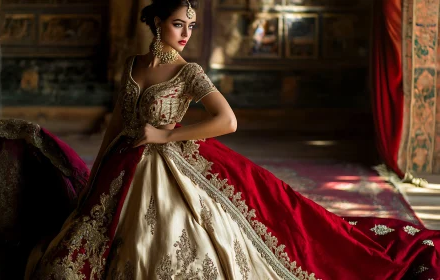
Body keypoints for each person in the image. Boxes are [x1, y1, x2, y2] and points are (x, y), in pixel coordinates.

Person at [25, 0, 439, 279]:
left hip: (164, 167)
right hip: (121, 162)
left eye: (191, 26)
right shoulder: (133, 64)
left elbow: (228, 120)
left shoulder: (189, 72)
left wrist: (167, 134)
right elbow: (118, 120)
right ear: (156, 23)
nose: (185, 33)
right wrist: (95, 173)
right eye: (177, 24)